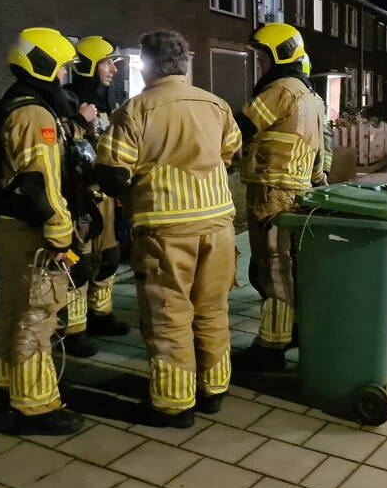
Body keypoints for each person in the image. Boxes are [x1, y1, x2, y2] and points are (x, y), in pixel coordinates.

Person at [94, 30, 241, 428]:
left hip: (166, 228)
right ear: (184, 64)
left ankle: (174, 405)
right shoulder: (216, 105)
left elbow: (113, 173)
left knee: (169, 315)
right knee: (213, 308)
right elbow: (232, 155)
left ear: (148, 66)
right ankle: (214, 390)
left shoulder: (136, 109)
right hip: (219, 225)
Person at [0, 27, 86, 436]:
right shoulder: (34, 115)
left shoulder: (11, 105)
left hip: (8, 229)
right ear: (43, 65)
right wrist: (60, 235)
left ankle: (9, 385)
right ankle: (36, 406)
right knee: (38, 317)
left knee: (14, 312)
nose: (64, 76)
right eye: (61, 68)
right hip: (30, 235)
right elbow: (40, 183)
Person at [232, 23, 327, 372]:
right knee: (289, 268)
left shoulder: (280, 90)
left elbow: (240, 128)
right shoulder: (310, 96)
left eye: (262, 55)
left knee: (273, 268)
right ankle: (294, 329)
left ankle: (271, 346)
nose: (259, 62)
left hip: (271, 193)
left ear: (279, 54)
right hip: (297, 193)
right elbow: (319, 153)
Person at [60, 36, 130, 342]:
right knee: (81, 262)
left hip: (106, 196)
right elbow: (57, 147)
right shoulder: (66, 100)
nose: (113, 70)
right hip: (79, 199)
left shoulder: (109, 103)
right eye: (106, 63)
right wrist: (78, 121)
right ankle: (74, 329)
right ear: (88, 66)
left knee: (110, 257)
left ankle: (101, 315)